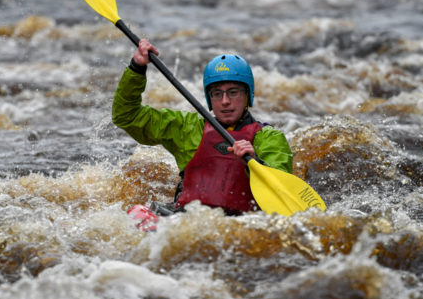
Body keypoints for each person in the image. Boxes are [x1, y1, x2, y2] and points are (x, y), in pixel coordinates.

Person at [112, 39, 293, 215]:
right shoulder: (187, 128)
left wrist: (255, 163)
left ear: (247, 95)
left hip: (240, 226)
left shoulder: (269, 138)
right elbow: (126, 116)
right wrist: (137, 67)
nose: (225, 101)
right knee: (137, 212)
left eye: (233, 92)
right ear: (209, 98)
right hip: (187, 221)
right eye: (217, 94)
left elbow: (281, 191)